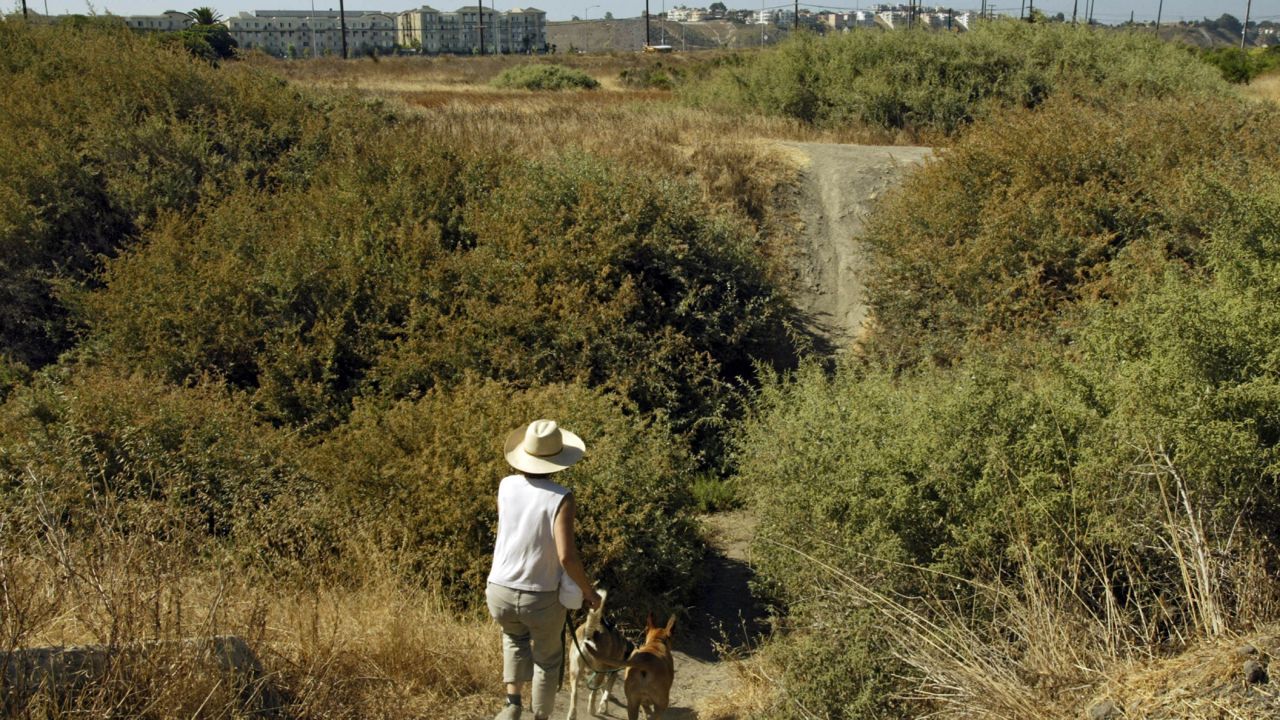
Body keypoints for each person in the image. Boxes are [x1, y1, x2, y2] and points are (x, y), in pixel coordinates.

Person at [487, 419, 603, 720]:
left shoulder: (505, 485)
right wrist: (589, 592)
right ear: (558, 459)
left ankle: (512, 705)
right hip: (539, 596)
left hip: (498, 588)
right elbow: (567, 557)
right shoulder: (561, 497)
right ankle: (540, 717)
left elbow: (512, 529)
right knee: (548, 660)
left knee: (513, 640)